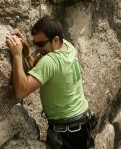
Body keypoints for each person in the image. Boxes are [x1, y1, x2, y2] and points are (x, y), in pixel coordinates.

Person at [6, 15, 96, 149]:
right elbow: (40, 68)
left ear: (55, 39)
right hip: (81, 124)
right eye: (34, 43)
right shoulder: (67, 46)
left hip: (67, 132)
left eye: (41, 44)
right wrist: (26, 53)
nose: (37, 48)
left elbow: (21, 91)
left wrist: (17, 55)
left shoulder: (50, 61)